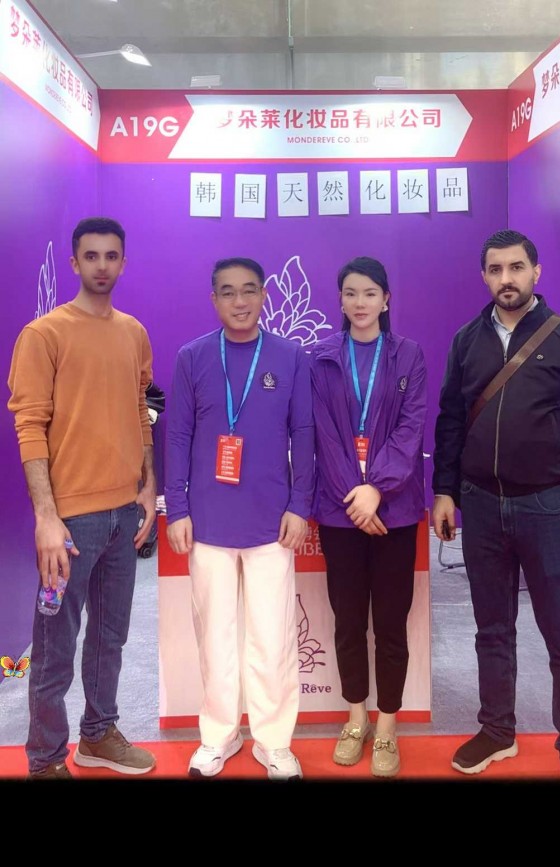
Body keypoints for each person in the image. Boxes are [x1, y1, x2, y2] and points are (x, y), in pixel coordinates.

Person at [433, 229, 560, 780]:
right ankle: (497, 731)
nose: (506, 279)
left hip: (547, 507)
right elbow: (451, 420)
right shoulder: (466, 340)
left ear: (536, 272)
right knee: (492, 629)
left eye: (516, 267)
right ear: (484, 276)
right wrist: (445, 490)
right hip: (481, 506)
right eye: (496, 269)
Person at [7, 217, 157, 779]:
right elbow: (29, 425)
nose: (101, 265)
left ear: (123, 263)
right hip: (69, 523)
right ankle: (46, 759)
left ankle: (98, 734)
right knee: (54, 647)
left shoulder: (134, 332)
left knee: (110, 637)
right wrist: (46, 518)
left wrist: (148, 484)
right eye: (91, 256)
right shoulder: (43, 334)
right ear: (74, 263)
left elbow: (140, 409)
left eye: (111, 256)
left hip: (124, 513)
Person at [165, 257, 314, 781]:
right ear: (214, 299)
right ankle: (219, 736)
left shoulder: (290, 356)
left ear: (265, 295)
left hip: (272, 521)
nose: (240, 301)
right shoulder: (193, 357)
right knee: (216, 636)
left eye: (249, 290)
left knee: (272, 637)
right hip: (207, 521)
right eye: (227, 292)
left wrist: (300, 504)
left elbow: (304, 434)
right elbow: (178, 435)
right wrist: (177, 507)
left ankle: (274, 742)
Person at [310, 256, 427, 777]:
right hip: (341, 515)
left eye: (369, 293)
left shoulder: (408, 355)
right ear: (340, 299)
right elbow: (323, 435)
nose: (360, 303)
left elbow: (411, 428)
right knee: (349, 621)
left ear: (386, 299)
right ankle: (355, 717)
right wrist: (354, 498)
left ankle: (387, 724)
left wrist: (376, 488)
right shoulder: (321, 359)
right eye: (351, 293)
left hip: (395, 512)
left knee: (391, 624)